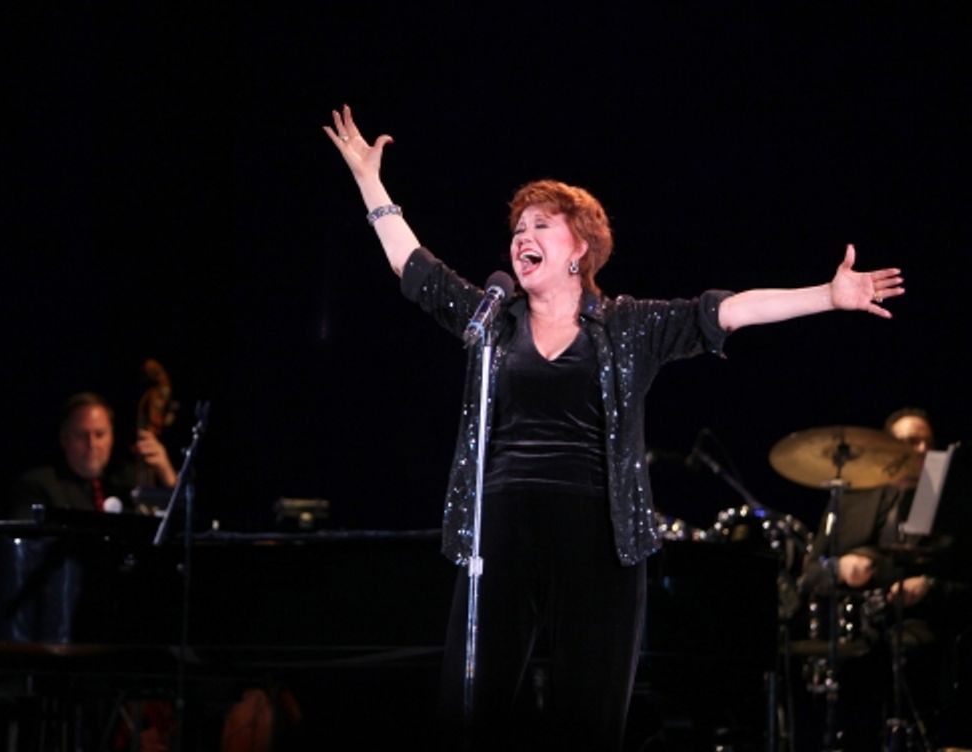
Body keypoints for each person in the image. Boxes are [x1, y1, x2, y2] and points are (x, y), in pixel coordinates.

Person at [322, 104, 905, 750]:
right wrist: (369, 181)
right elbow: (415, 269)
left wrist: (827, 295)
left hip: (597, 537)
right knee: (469, 713)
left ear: (580, 247)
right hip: (501, 531)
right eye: (517, 228)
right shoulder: (492, 320)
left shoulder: (628, 325)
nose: (522, 236)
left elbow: (725, 312)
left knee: (588, 720)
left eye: (541, 225)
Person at [796, 408, 967, 749]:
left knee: (905, 653)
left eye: (927, 443)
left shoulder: (949, 502)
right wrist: (841, 567)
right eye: (910, 442)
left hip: (920, 624)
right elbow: (810, 574)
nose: (921, 450)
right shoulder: (851, 498)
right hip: (853, 629)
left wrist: (928, 586)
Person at [9, 391, 178, 519]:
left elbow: (178, 526)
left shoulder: (130, 481)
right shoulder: (39, 485)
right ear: (64, 438)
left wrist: (167, 475)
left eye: (100, 434)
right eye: (81, 435)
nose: (92, 444)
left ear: (112, 437)